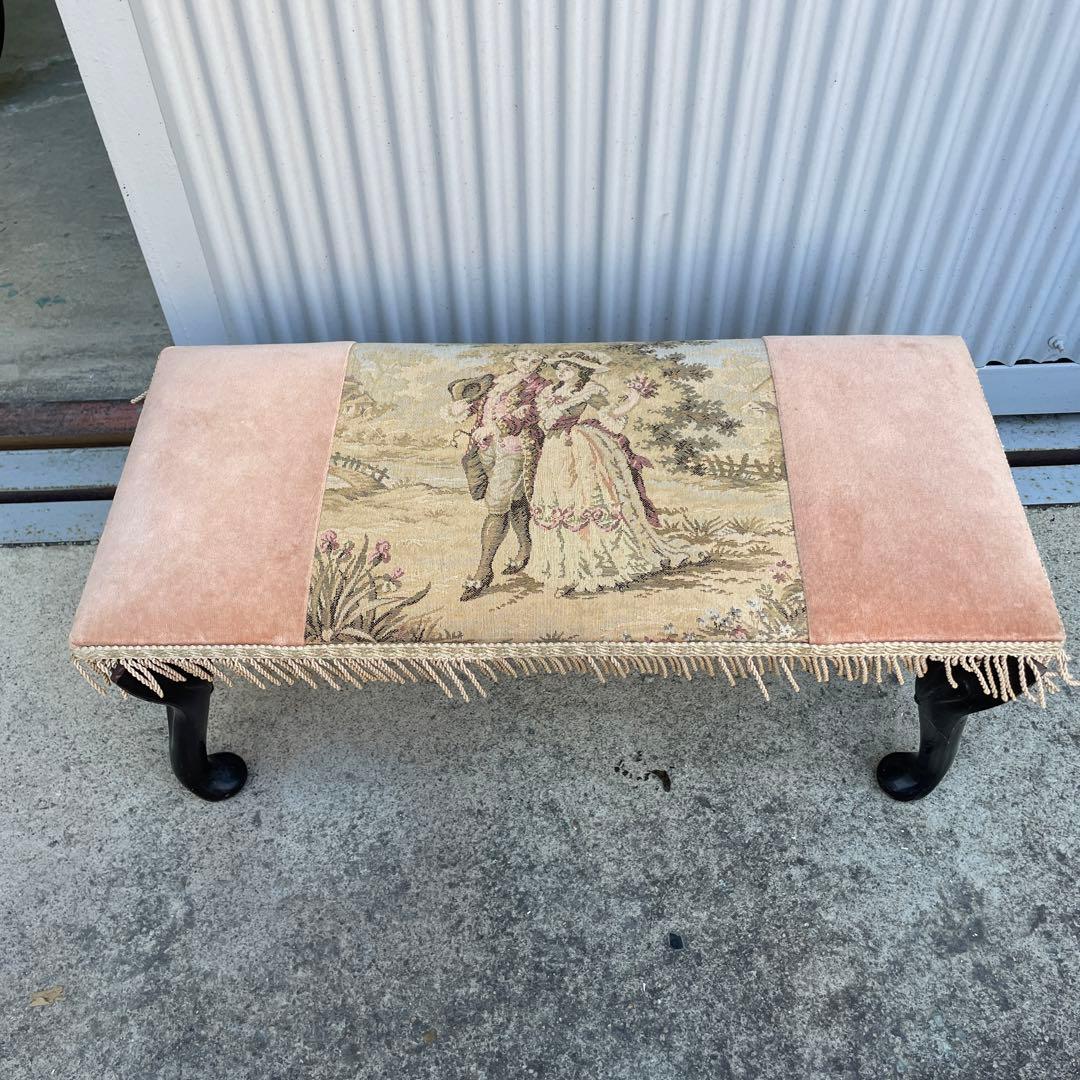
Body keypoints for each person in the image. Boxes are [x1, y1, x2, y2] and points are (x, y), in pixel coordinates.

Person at [529, 352, 708, 596]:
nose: (561, 372)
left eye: (568, 368)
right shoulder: (549, 392)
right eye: (559, 368)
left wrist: (633, 399)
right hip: (553, 450)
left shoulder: (589, 390)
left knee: (582, 500)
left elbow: (610, 414)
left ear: (581, 372)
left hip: (577, 448)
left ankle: (586, 567)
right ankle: (562, 567)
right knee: (557, 501)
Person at [447, 350, 550, 601]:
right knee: (514, 500)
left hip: (516, 450)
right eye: (523, 358)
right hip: (487, 449)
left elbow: (529, 414)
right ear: (513, 359)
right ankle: (526, 547)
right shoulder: (498, 381)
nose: (529, 364)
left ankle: (483, 571)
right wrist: (464, 407)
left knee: (496, 506)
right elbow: (483, 405)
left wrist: (493, 428)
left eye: (534, 360)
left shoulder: (543, 387)